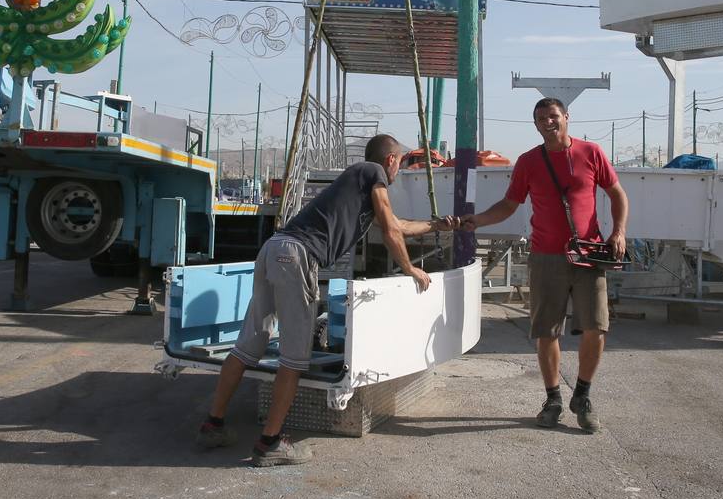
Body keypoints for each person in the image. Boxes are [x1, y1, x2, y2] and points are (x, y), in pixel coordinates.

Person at [196, 133, 457, 466]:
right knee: (293, 358)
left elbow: (396, 225)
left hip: (274, 249)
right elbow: (392, 231)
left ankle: (213, 424)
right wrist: (411, 269)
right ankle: (270, 444)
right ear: (390, 159)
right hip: (297, 257)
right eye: (401, 162)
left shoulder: (361, 185)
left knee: (249, 345)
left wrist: (437, 225)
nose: (399, 171)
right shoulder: (371, 171)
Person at [462, 98, 628, 433]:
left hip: (588, 256)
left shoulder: (591, 152)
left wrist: (619, 232)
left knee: (596, 328)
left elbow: (617, 194)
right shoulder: (528, 162)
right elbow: (510, 204)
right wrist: (476, 220)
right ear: (536, 124)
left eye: (553, 116)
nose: (547, 122)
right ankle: (553, 398)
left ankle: (582, 396)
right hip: (546, 256)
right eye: (540, 119)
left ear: (566, 118)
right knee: (546, 331)